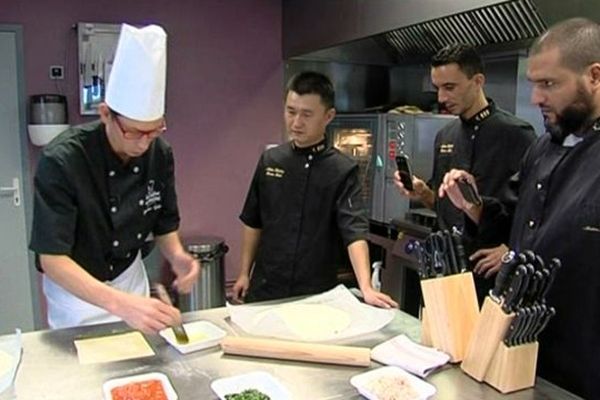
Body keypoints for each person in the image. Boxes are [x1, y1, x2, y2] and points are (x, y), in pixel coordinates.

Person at [438, 18, 600, 398]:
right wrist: (474, 205)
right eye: (534, 84)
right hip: (522, 352)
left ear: (594, 76)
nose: (536, 98)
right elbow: (514, 223)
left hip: (584, 366)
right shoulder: (542, 149)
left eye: (549, 84)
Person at [29, 24, 199, 334]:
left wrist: (177, 256)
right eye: (133, 132)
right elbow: (52, 258)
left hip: (129, 280)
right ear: (106, 114)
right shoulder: (63, 160)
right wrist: (120, 304)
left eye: (154, 130)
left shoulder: (159, 153)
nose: (143, 144)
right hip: (78, 293)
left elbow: (163, 222)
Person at [231, 71, 397, 308]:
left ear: (329, 116)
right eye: (291, 111)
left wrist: (366, 287)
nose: (296, 122)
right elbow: (252, 221)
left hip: (316, 292)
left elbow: (354, 232)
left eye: (306, 114)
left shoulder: (342, 170)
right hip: (266, 287)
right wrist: (244, 272)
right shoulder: (271, 160)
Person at [393, 44, 536, 302]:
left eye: (450, 87)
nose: (441, 98)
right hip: (446, 266)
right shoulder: (445, 136)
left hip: (489, 271)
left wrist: (512, 250)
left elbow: (535, 210)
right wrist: (424, 193)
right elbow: (442, 205)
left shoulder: (517, 134)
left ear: (478, 81)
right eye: (437, 88)